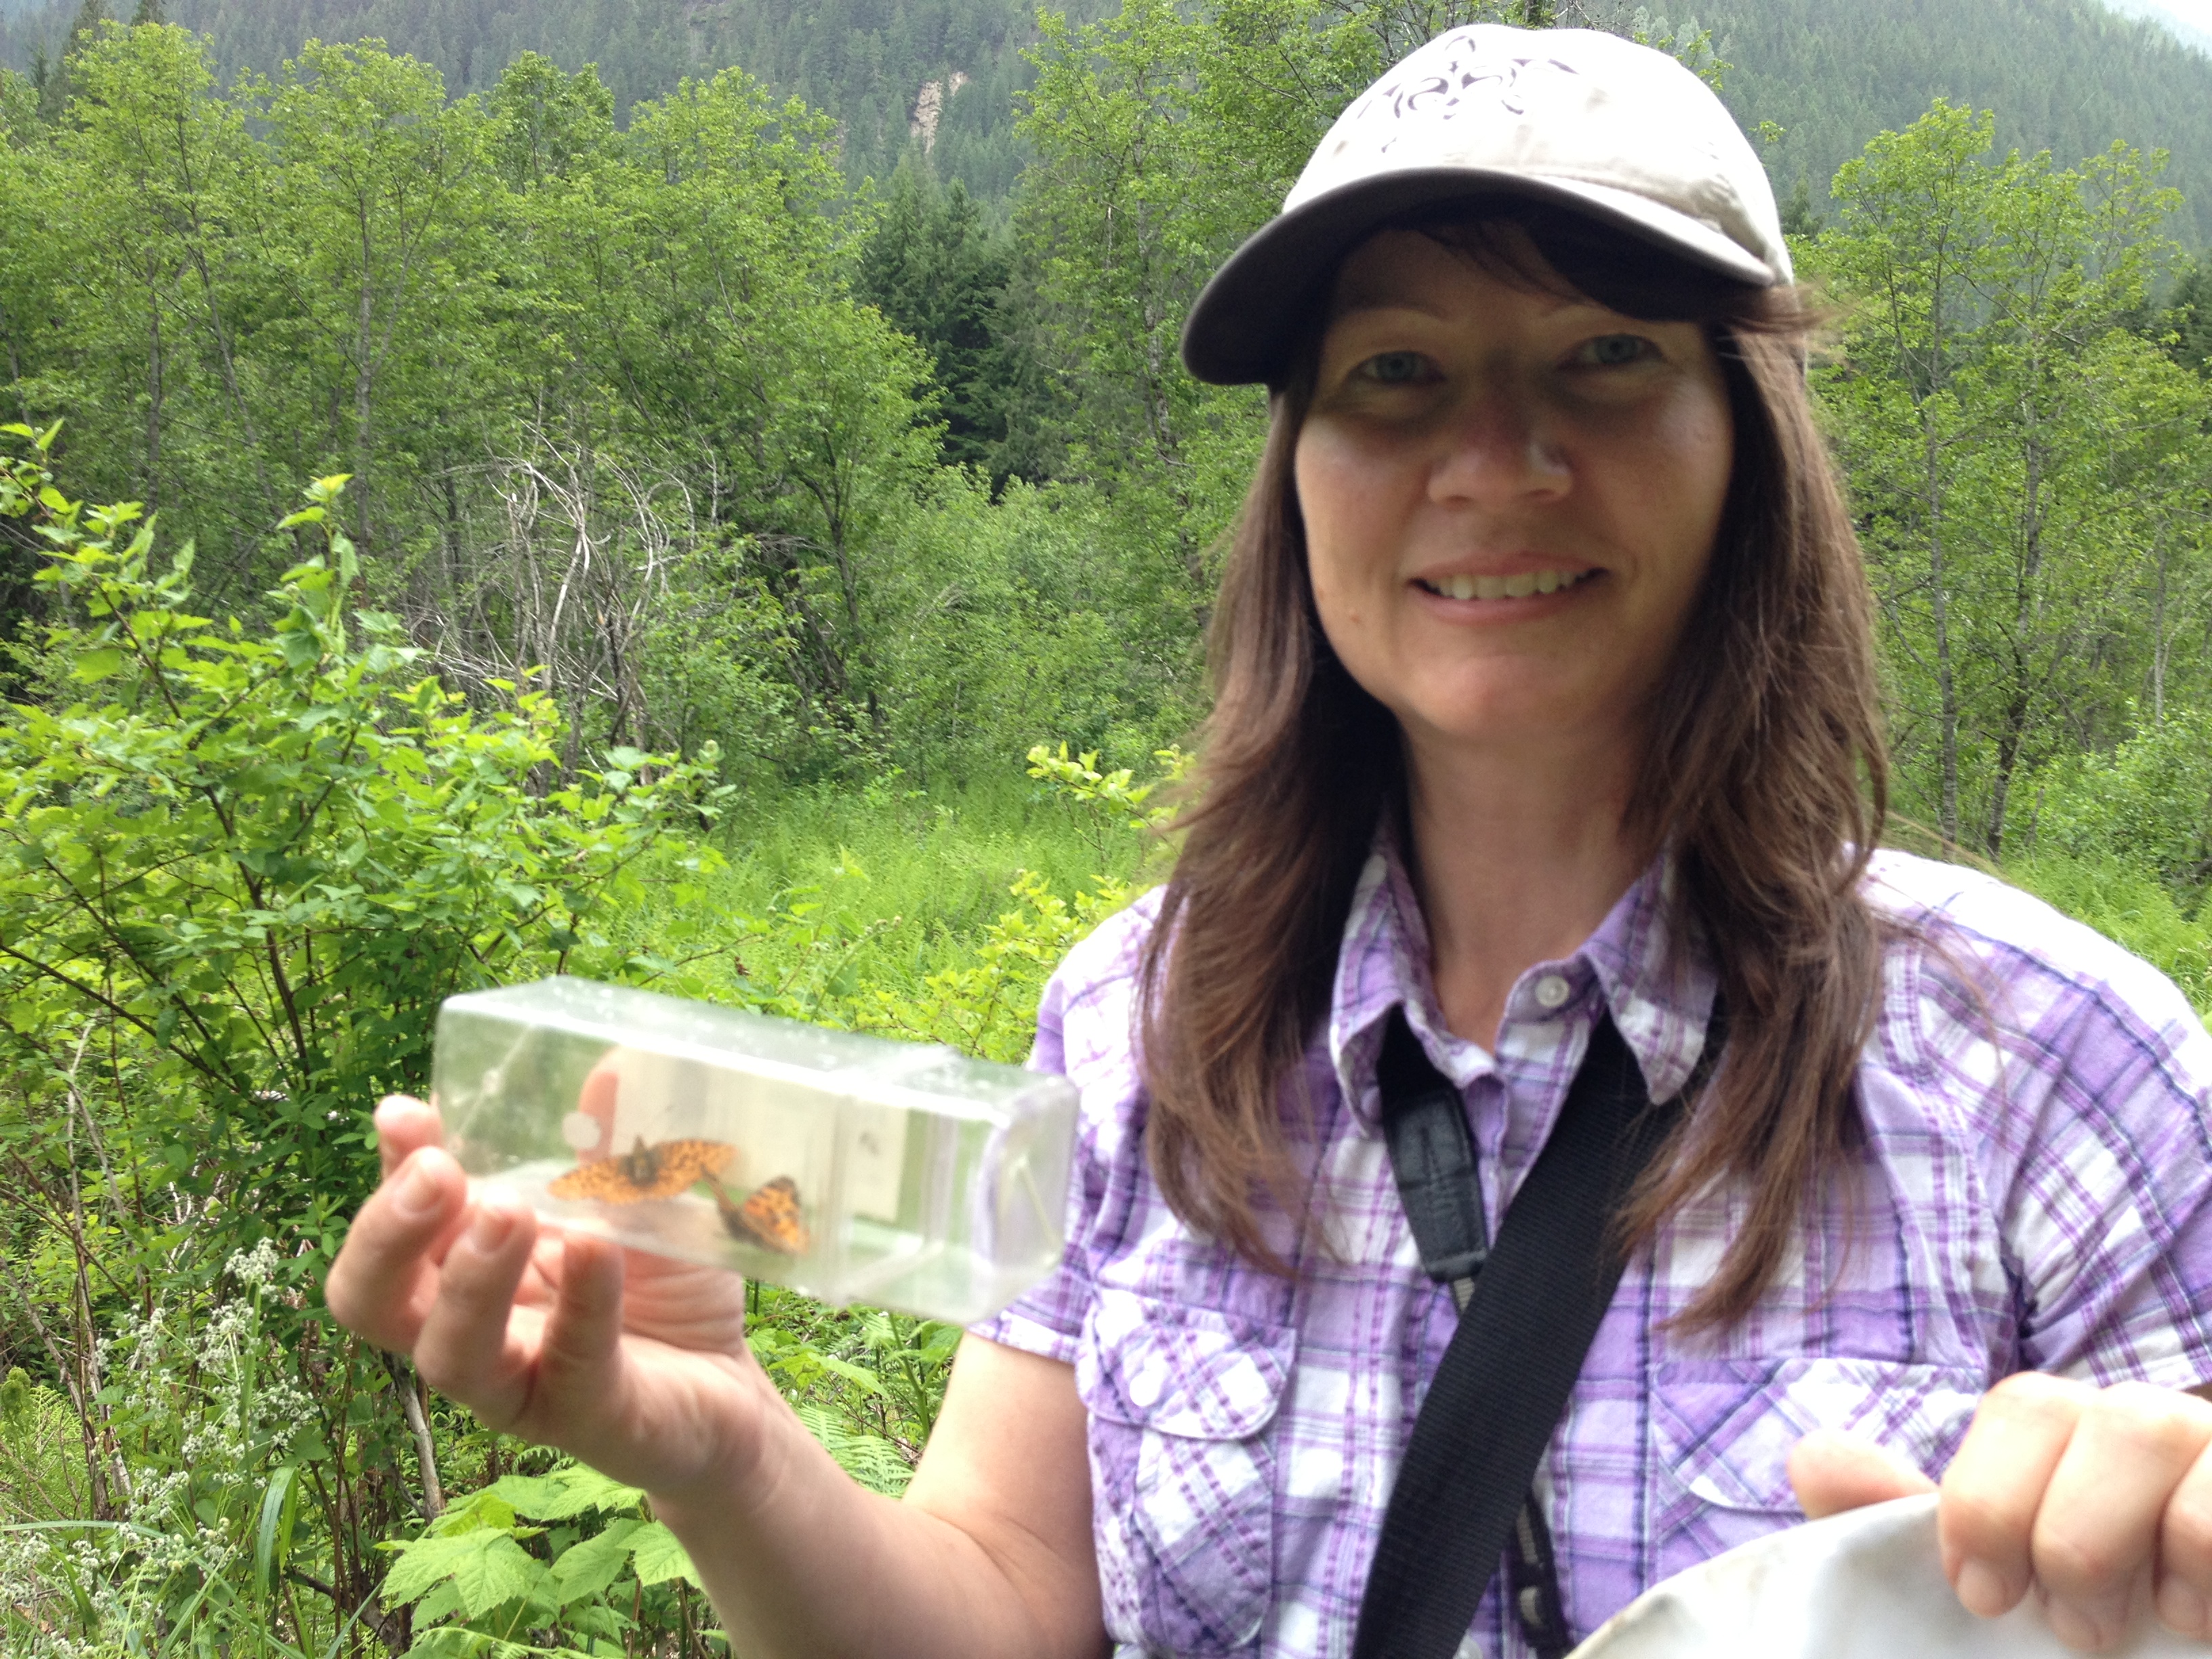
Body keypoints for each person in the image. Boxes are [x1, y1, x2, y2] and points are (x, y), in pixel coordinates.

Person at [325, 23, 2212, 1659]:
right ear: (1297, 473)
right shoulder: (1139, 1020)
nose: (1494, 458)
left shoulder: (2060, 1070)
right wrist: (719, 1439)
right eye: (1394, 371)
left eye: (1608, 357)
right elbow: (1001, 1601)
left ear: (1752, 448)